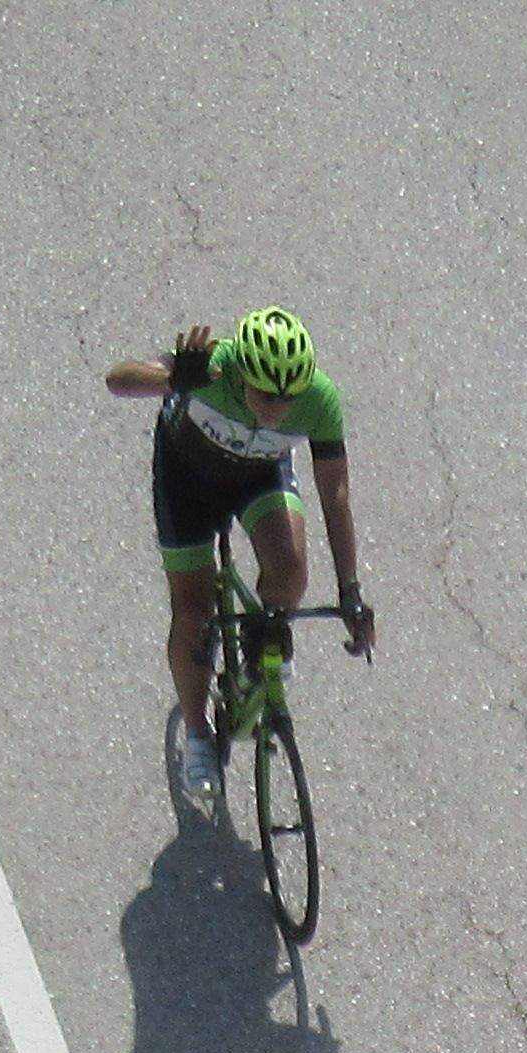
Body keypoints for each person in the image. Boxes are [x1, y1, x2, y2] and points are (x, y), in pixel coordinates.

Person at [104, 306, 375, 814]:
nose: (277, 408)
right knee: (193, 612)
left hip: (257, 478)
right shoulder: (214, 367)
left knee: (291, 571)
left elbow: (334, 494)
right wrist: (171, 378)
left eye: (288, 397)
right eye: (266, 395)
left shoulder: (319, 402)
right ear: (239, 374)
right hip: (187, 480)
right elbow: (118, 380)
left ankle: (261, 641)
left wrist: (351, 592)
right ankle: (198, 733)